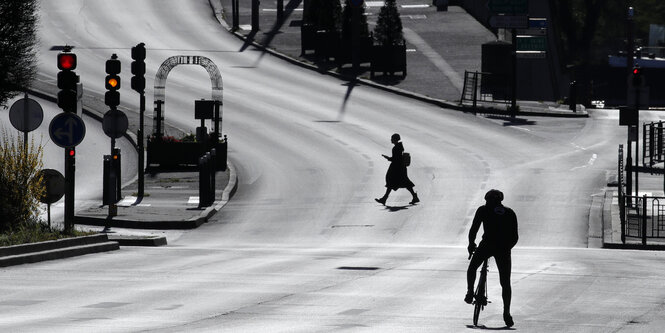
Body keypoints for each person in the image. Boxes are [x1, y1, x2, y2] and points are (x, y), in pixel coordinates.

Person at [465, 189, 518, 328]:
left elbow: (474, 229)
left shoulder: (483, 210)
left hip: (487, 245)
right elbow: (515, 237)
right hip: (503, 248)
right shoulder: (509, 212)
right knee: (505, 282)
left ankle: (470, 292)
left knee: (472, 268)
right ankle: (506, 313)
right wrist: (507, 249)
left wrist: (471, 244)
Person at [375, 133, 419, 205]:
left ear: (395, 139)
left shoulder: (396, 148)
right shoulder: (399, 147)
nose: (391, 140)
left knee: (393, 182)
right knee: (402, 183)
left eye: (392, 138)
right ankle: (414, 196)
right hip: (400, 168)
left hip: (397, 169)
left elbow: (396, 159)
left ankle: (384, 198)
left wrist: (388, 158)